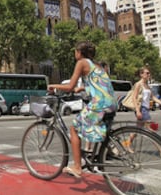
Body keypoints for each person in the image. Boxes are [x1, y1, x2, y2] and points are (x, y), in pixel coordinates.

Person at [48, 41, 117, 178]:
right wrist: (83, 88)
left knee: (74, 128)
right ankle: (100, 154)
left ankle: (77, 167)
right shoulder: (96, 65)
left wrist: (53, 86)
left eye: (75, 51)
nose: (75, 54)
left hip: (99, 104)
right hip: (111, 103)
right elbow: (100, 84)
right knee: (98, 129)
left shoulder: (81, 63)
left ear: (79, 53)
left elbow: (69, 86)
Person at [127, 67, 161, 154]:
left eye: (149, 73)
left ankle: (127, 144)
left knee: (137, 130)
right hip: (142, 109)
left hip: (146, 109)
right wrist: (137, 111)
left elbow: (154, 98)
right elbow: (134, 98)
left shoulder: (147, 85)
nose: (149, 75)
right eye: (147, 73)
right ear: (141, 74)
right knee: (151, 130)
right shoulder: (138, 84)